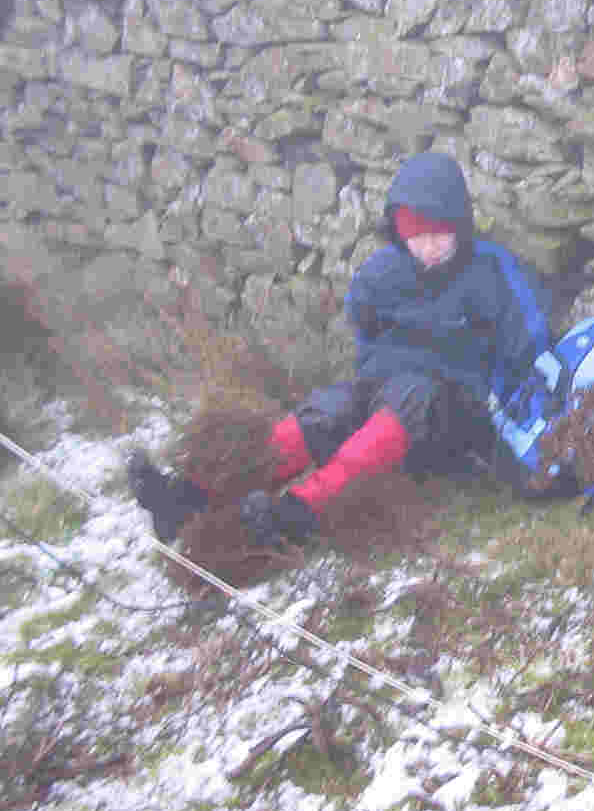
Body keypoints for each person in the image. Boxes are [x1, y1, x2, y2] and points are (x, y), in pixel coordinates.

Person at [129, 151, 554, 547]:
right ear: (400, 233)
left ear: (459, 224)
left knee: (410, 396)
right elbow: (366, 332)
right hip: (388, 390)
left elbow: (527, 343)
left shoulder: (491, 270)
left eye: (440, 233)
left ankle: (297, 512)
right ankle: (190, 498)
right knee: (327, 410)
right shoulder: (383, 273)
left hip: (450, 413)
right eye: (416, 236)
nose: (429, 246)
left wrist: (498, 404)